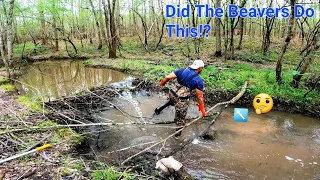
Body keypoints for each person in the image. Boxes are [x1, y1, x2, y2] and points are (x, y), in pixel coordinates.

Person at [158, 60, 207, 136]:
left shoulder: (181, 70)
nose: (202, 70)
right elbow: (200, 97)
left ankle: (159, 109)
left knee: (173, 100)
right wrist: (202, 108)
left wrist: (162, 83)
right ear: (200, 68)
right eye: (202, 68)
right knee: (180, 120)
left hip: (172, 94)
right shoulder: (198, 80)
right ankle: (177, 137)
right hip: (180, 100)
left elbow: (167, 77)